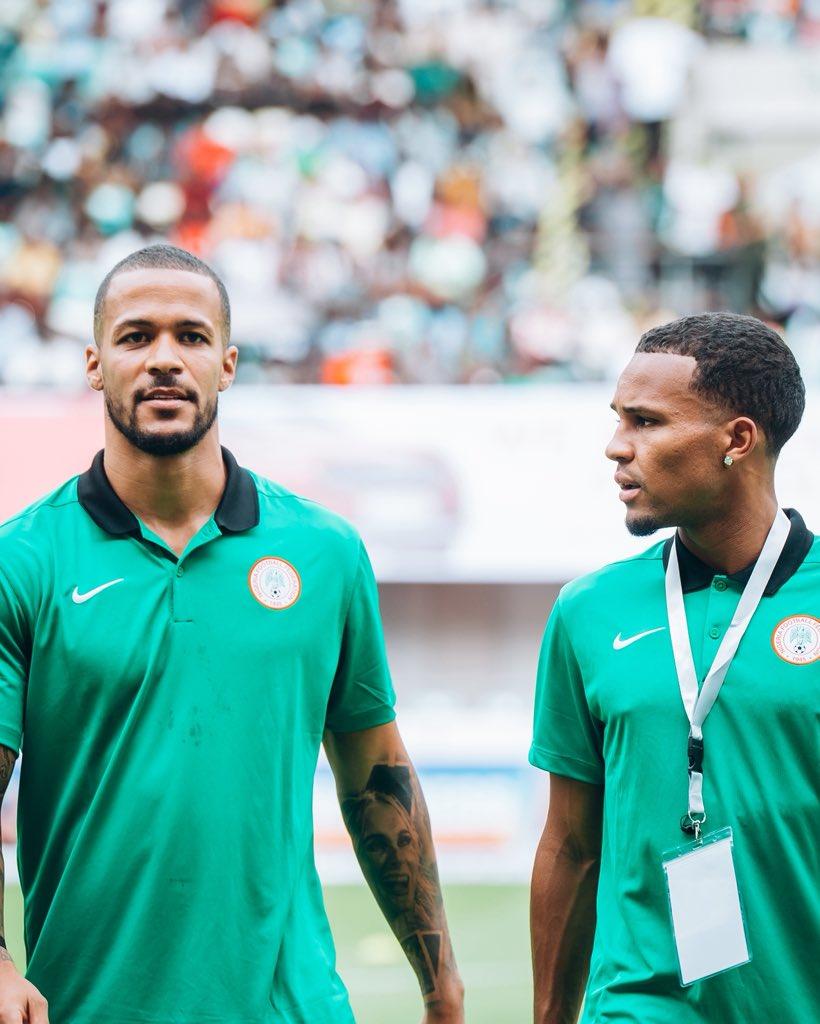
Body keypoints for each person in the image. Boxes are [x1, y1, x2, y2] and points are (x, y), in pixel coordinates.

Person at [0, 243, 464, 1024]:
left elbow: (376, 775)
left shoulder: (326, 552)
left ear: (229, 363)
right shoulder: (23, 561)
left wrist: (440, 981)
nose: (164, 360)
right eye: (136, 336)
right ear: (93, 363)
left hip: (294, 1006)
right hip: (88, 1004)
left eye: (191, 336)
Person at [529, 313, 818, 1023]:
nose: (615, 447)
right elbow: (570, 844)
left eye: (647, 422)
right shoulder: (588, 612)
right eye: (618, 419)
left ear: (737, 440)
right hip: (637, 1007)